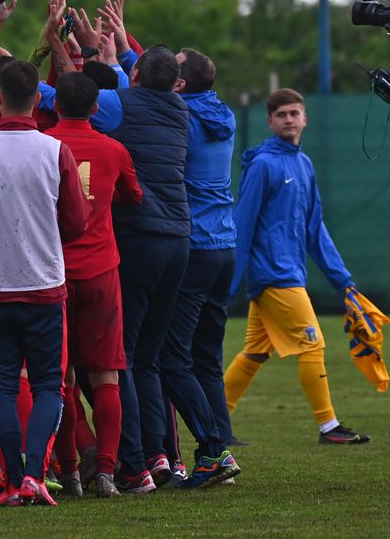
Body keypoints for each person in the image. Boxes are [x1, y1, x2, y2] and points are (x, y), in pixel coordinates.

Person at [0, 61, 90, 507]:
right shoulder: (55, 150)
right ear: (37, 100)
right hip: (44, 283)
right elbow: (78, 222)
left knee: (0, 388)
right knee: (48, 385)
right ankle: (34, 477)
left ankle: (11, 480)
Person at [223, 88, 370, 446]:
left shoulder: (304, 164)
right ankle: (329, 427)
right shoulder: (262, 165)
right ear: (270, 121)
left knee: (255, 352)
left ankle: (215, 423)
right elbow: (243, 225)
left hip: (290, 273)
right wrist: (226, 286)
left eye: (295, 113)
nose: (289, 119)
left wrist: (343, 281)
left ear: (305, 118)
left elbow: (314, 228)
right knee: (312, 344)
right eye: (282, 114)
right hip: (274, 274)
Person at [92, 44, 191, 493]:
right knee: (149, 359)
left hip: (140, 238)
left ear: (134, 78)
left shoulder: (118, 106)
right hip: (179, 240)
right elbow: (142, 77)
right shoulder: (179, 107)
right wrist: (116, 54)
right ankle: (164, 455)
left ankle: (135, 465)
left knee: (125, 358)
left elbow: (59, 97)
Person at [45, 72, 141, 498]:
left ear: (55, 106)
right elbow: (134, 196)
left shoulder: (43, 145)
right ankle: (105, 471)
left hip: (52, 273)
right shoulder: (114, 149)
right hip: (101, 270)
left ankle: (69, 472)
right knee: (106, 376)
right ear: (97, 108)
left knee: (60, 378)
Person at [159, 48, 241, 488]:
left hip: (195, 245)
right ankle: (220, 452)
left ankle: (213, 450)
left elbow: (145, 95)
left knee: (170, 358)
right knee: (206, 358)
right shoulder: (221, 112)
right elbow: (164, 80)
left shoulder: (178, 117)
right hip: (225, 247)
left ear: (180, 86)